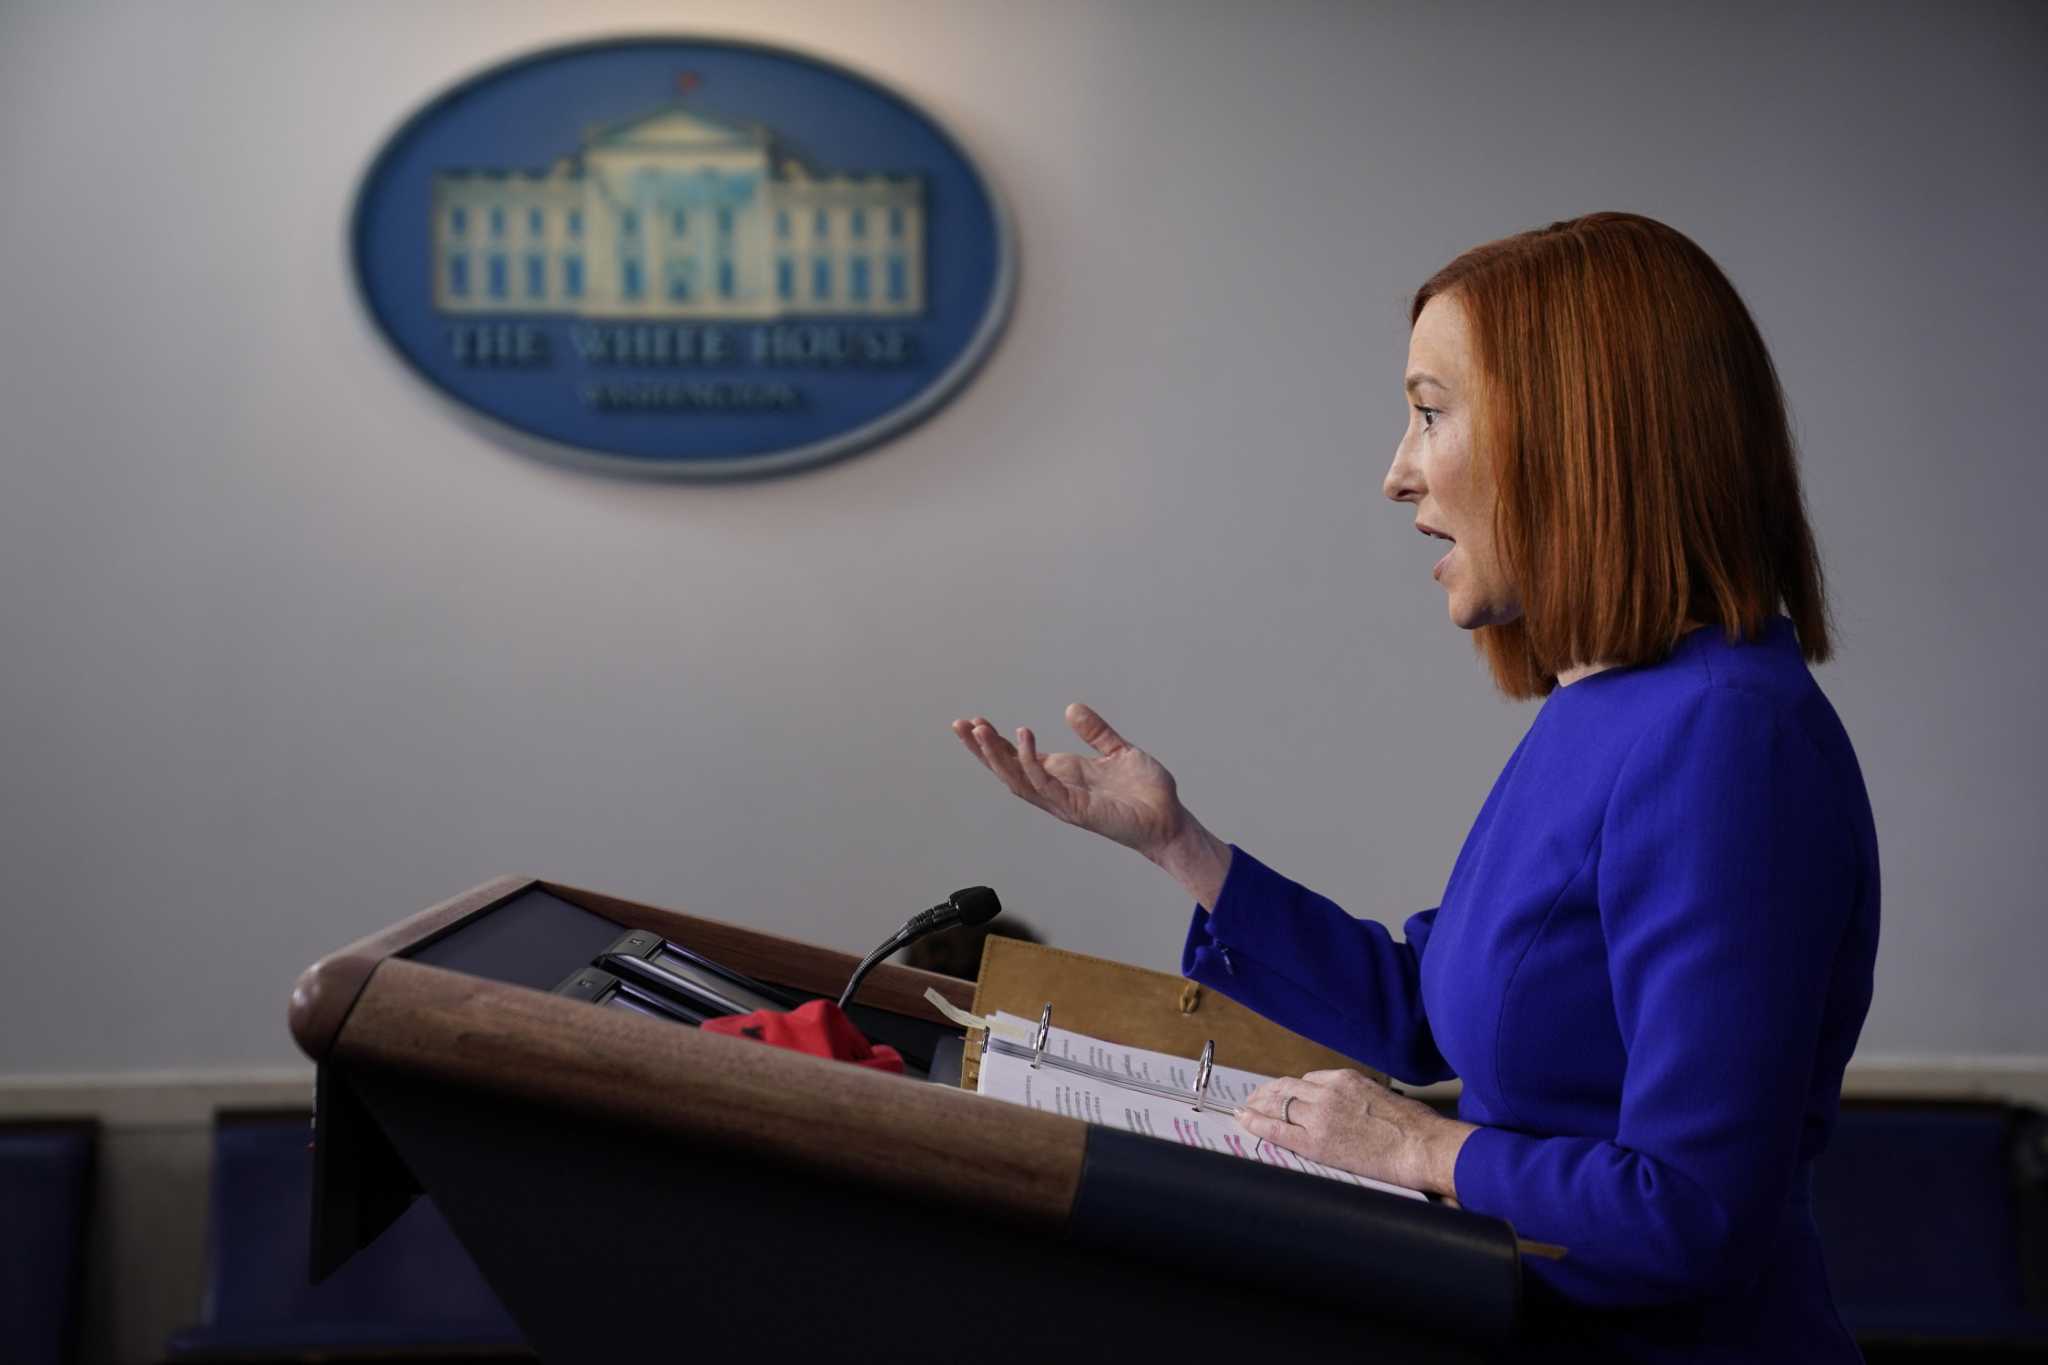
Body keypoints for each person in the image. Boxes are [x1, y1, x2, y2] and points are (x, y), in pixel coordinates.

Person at [950, 212, 1878, 1360]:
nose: (1395, 473)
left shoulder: (1730, 742)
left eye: (1429, 412)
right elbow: (1430, 1012)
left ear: (1579, 435)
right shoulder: (1606, 707)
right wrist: (1175, 845)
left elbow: (1690, 1213)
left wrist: (1416, 1151)